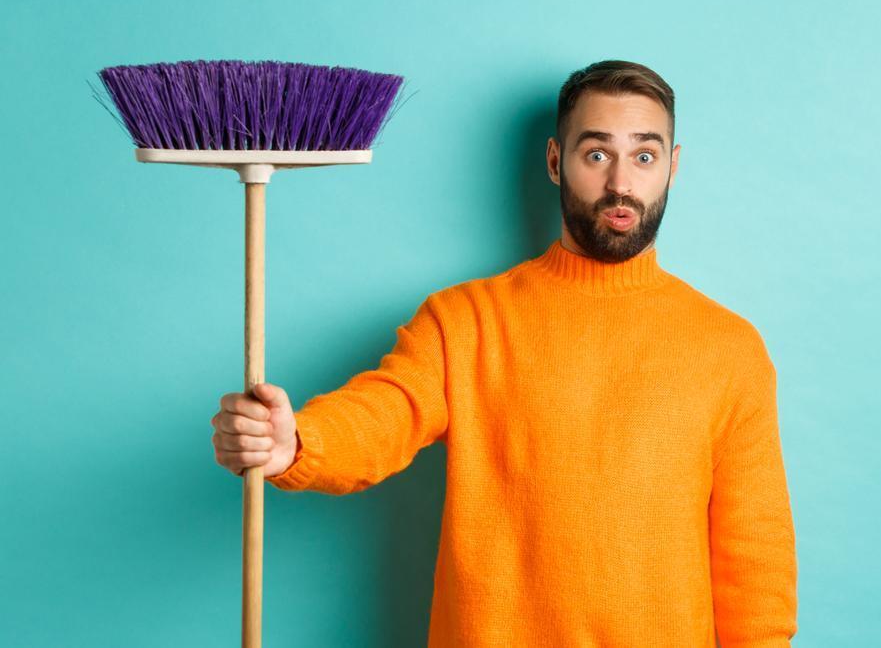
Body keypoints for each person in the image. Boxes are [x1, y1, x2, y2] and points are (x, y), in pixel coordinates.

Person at [211, 59, 797, 647]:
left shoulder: (729, 348)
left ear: (672, 167)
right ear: (554, 161)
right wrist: (297, 442)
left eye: (644, 156)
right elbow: (384, 412)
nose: (621, 182)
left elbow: (754, 554)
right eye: (596, 154)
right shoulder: (465, 321)